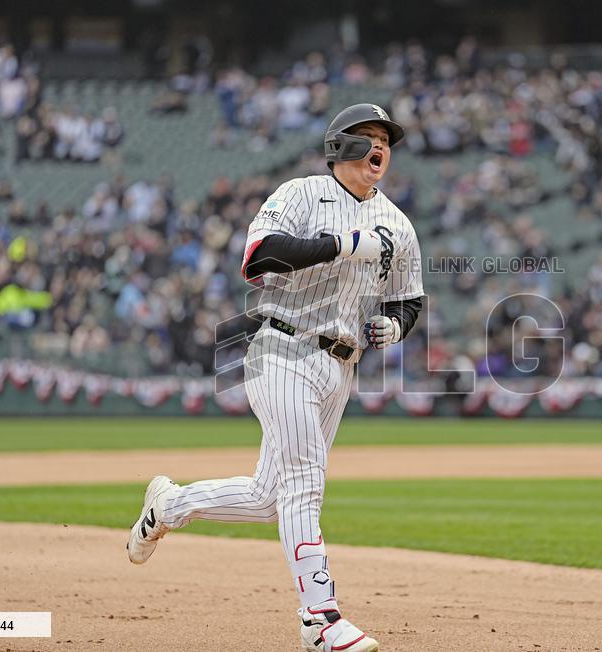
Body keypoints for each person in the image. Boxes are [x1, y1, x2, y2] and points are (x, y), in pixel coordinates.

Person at [127, 104, 424, 652]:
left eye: (387, 138)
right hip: (280, 346)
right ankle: (319, 618)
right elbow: (258, 257)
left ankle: (168, 506)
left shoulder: (399, 225)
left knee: (270, 497)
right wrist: (340, 245)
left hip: (341, 365)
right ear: (339, 145)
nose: (380, 146)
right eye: (369, 136)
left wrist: (395, 325)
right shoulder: (301, 194)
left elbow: (410, 298)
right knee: (305, 481)